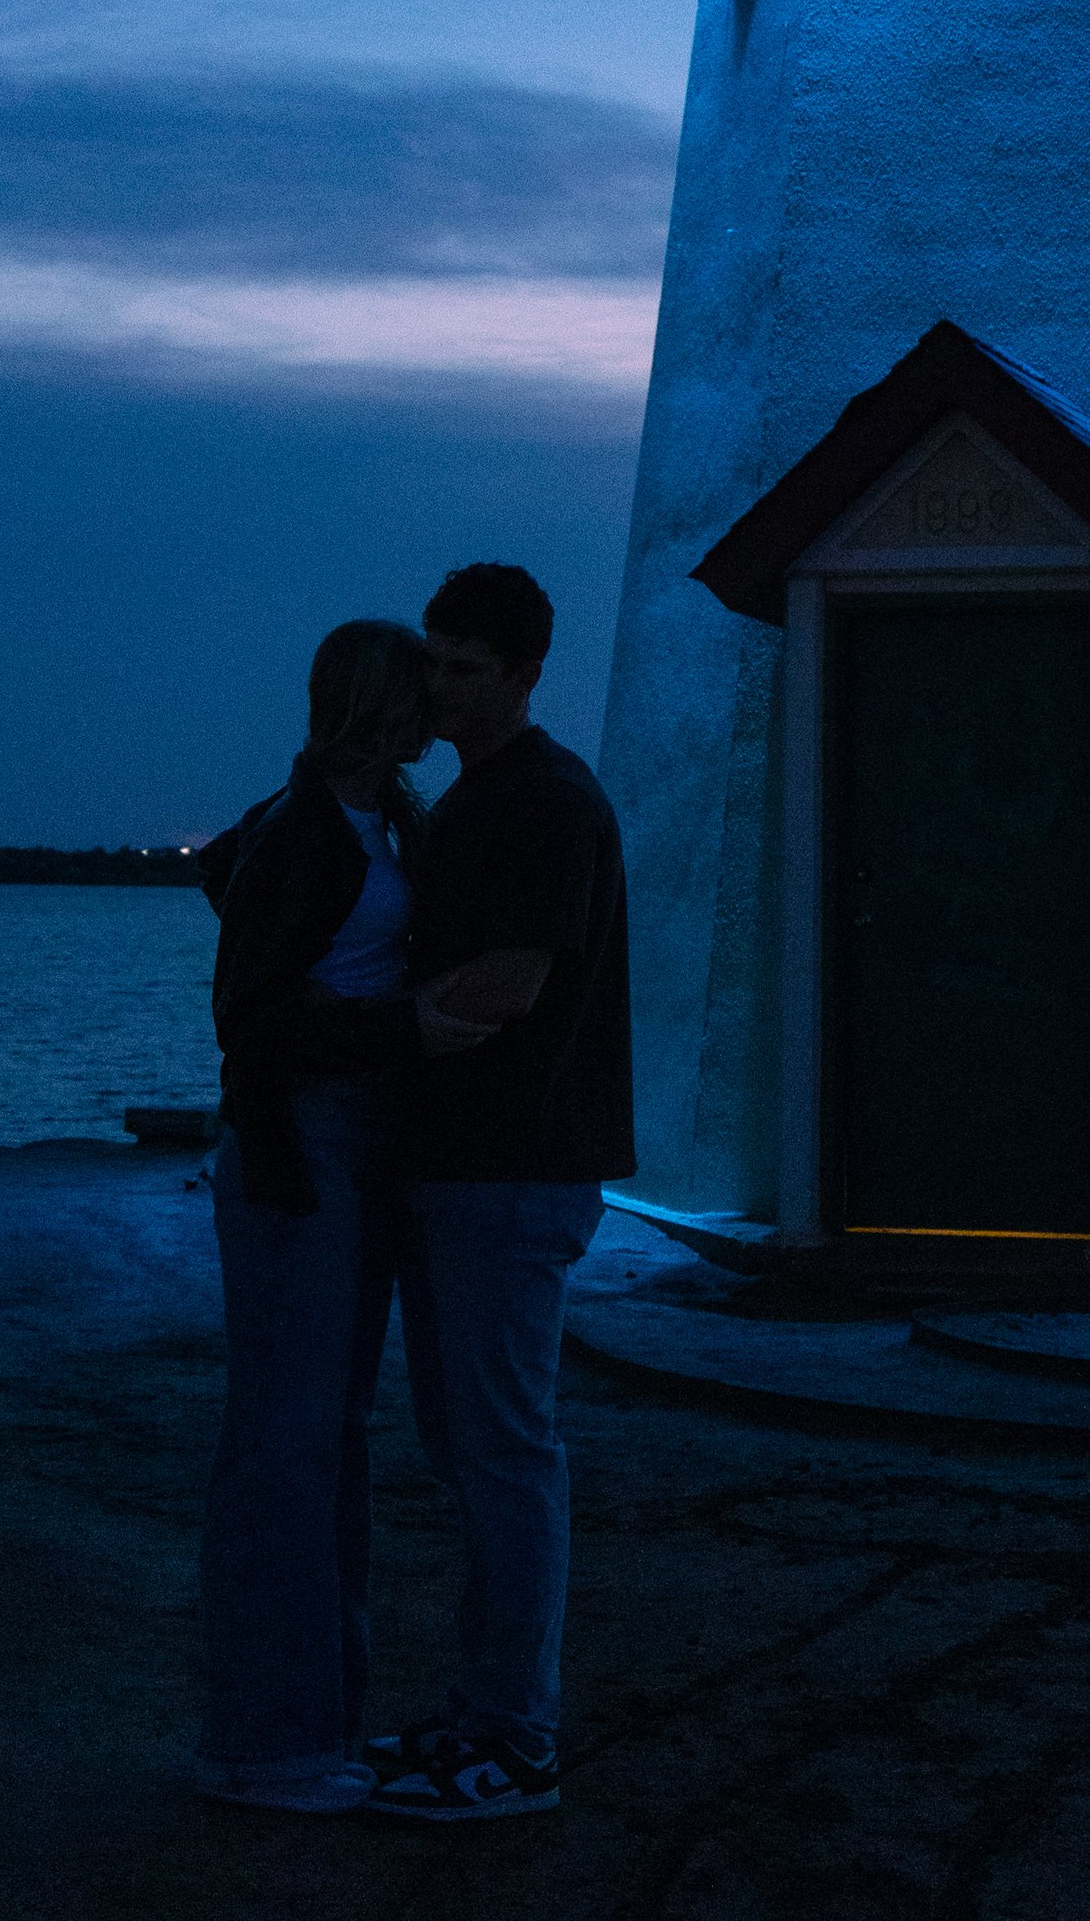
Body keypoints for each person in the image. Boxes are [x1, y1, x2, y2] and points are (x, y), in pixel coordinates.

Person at [366, 560, 635, 1824]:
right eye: (433, 659)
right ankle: (485, 1714)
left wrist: (349, 1036)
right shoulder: (482, 799)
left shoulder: (544, 802)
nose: (438, 683)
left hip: (512, 1170)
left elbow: (514, 980)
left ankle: (516, 1739)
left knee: (505, 1456)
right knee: (476, 1454)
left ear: (526, 672)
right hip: (472, 1170)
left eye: (464, 665)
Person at [192, 617, 449, 1815]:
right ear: (379, 703)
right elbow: (249, 1011)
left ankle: (321, 1720)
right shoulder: (305, 832)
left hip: (355, 1145)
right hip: (299, 1149)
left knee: (328, 1431)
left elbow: (226, 879)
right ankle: (268, 1742)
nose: (440, 701)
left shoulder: (373, 819)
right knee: (286, 1442)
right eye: (422, 686)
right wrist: (399, 1030)